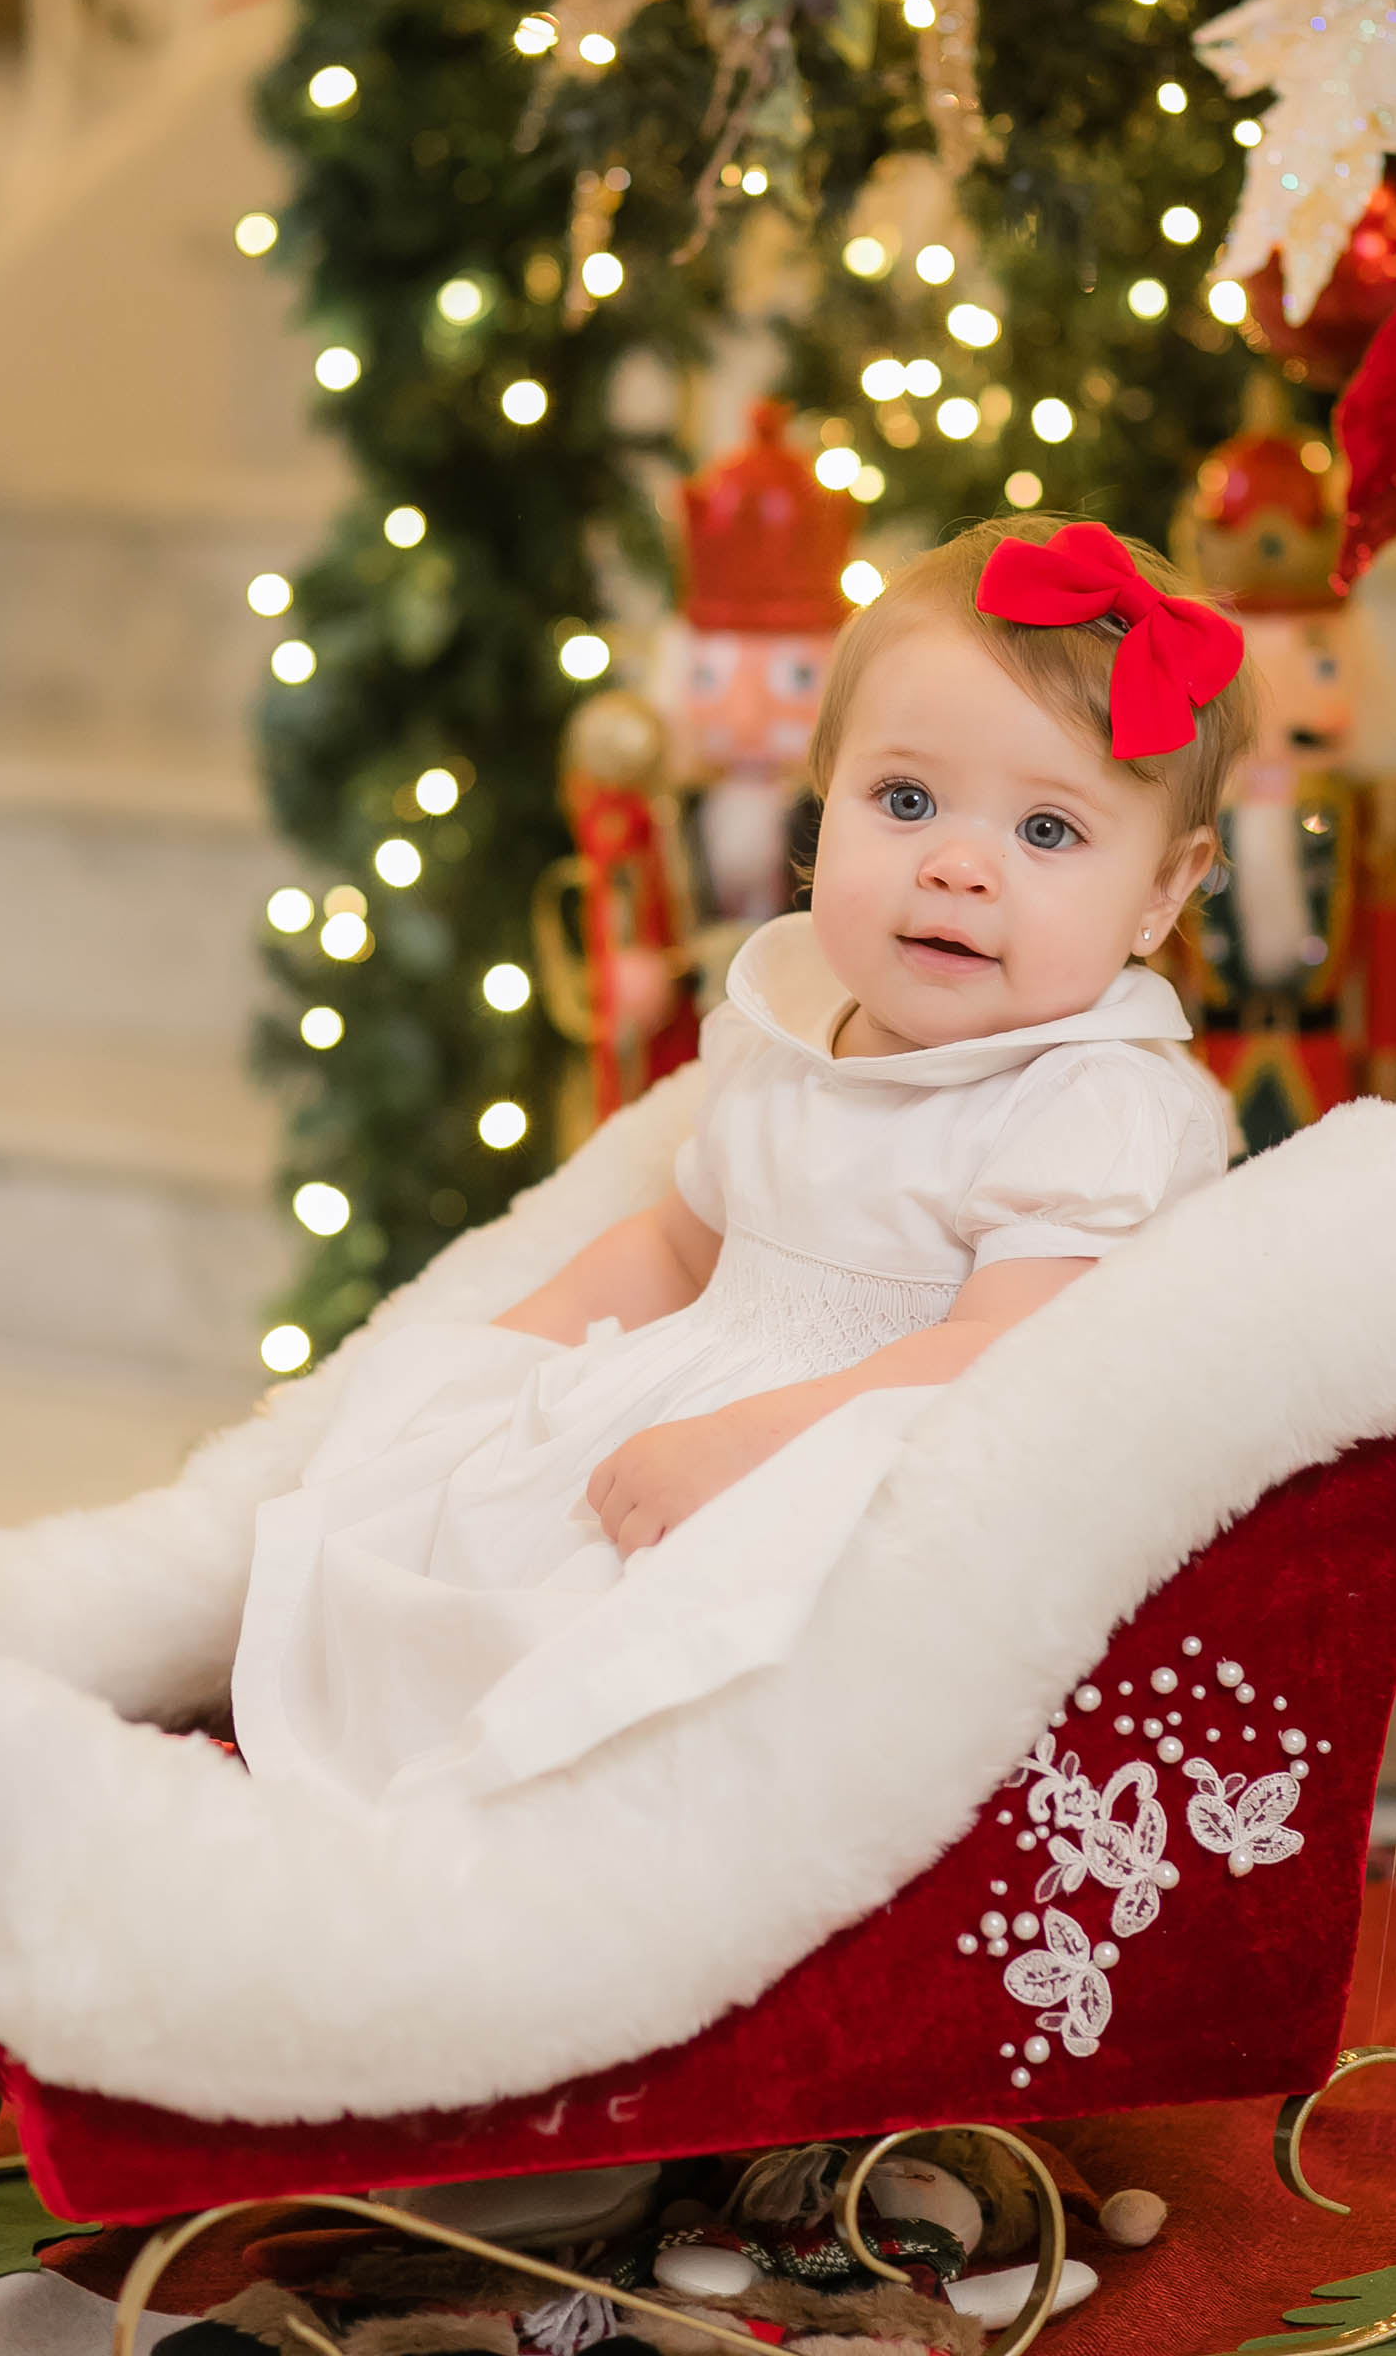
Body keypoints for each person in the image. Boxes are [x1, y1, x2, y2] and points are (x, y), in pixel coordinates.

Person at [227, 518, 1254, 1811]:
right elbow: (675, 1243)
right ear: (820, 807)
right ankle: (407, 1801)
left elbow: (1001, 1357)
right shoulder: (785, 1037)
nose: (956, 863)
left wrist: (747, 1445)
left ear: (1165, 889)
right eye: (906, 800)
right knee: (458, 1521)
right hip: (692, 1413)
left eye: (1049, 830)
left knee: (651, 1670)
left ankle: (565, 1838)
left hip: (870, 1489)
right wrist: (499, 1358)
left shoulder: (1091, 1101)